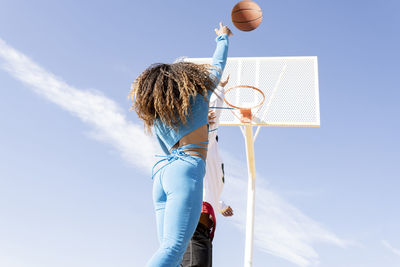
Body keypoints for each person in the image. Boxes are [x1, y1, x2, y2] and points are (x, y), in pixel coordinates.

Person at [129, 23, 233, 267]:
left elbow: (166, 150)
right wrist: (223, 38)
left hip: (162, 173)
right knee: (174, 249)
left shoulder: (158, 114)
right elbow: (218, 64)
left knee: (170, 253)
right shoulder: (200, 95)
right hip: (185, 169)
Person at [181, 76, 234, 267]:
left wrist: (220, 204)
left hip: (200, 229)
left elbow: (207, 184)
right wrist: (219, 88)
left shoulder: (212, 153)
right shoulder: (204, 142)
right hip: (195, 227)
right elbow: (213, 113)